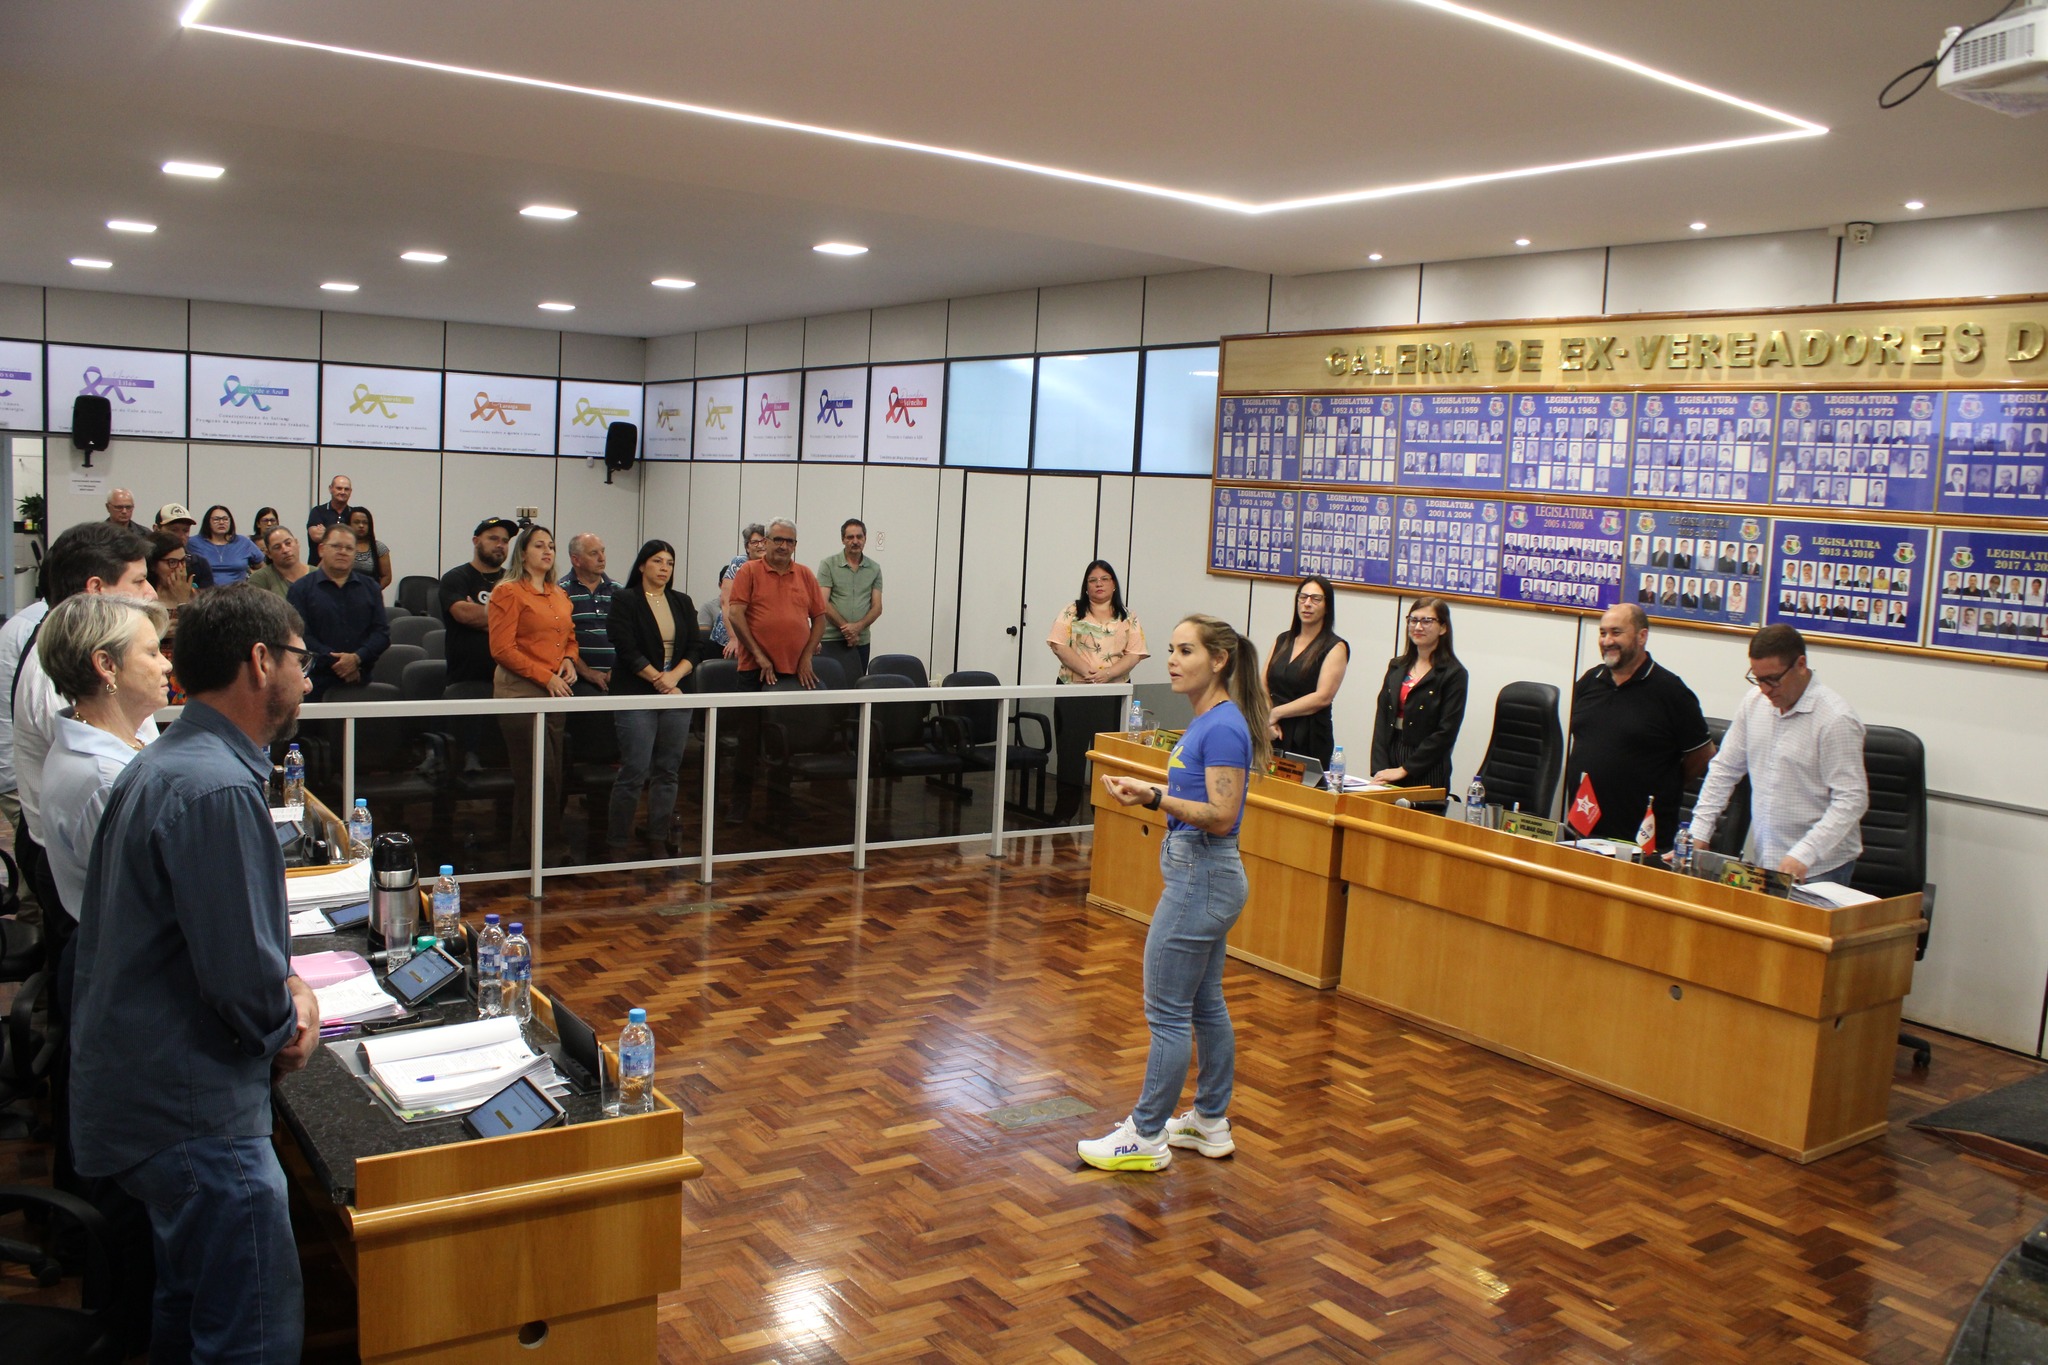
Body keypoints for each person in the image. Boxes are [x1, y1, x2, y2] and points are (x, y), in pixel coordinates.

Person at [69, 586, 320, 1364]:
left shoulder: (172, 761)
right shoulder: (213, 787)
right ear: (260, 661)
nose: (307, 681)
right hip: (193, 1115)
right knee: (250, 1336)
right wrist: (292, 1022)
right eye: (299, 661)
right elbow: (243, 982)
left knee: (187, 1310)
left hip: (144, 1099)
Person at [1080, 615, 1270, 1173]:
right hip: (1201, 876)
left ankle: (1144, 1135)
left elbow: (1221, 815)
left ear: (1218, 661)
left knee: (1166, 1013)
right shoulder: (1209, 721)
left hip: (1202, 879)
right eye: (1169, 649)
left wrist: (1154, 798)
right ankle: (1209, 1122)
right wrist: (1151, 791)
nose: (1171, 660)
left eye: (1184, 650)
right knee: (1204, 1003)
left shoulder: (1225, 727)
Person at [14, 524, 159, 938]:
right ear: (97, 588)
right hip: (85, 864)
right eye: (138, 580)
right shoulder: (62, 674)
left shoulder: (104, 659)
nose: (150, 592)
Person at [1689, 624, 1867, 884]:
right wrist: (1700, 832)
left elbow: (1852, 801)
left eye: (1773, 679)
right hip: (1768, 861)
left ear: (1801, 665)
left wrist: (1804, 854)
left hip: (1820, 868)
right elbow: (1724, 770)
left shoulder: (1835, 719)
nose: (1765, 689)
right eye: (1758, 679)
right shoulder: (1754, 703)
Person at [36, 595, 172, 922]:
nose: (166, 663)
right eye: (152, 653)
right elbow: (153, 902)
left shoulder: (114, 743)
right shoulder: (105, 780)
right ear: (107, 666)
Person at [1563, 604, 1714, 853]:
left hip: (1640, 841)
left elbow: (1703, 755)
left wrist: (1664, 783)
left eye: (1616, 632)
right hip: (1583, 832)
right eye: (1602, 633)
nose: (1607, 641)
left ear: (1641, 636)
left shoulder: (1671, 691)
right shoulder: (1590, 681)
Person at [726, 518, 829, 813]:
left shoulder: (805, 574)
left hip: (794, 671)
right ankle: (740, 802)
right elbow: (735, 614)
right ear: (766, 541)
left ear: (795, 545)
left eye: (790, 541)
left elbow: (820, 619)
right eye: (778, 540)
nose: (784, 546)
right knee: (749, 739)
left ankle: (780, 800)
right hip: (753, 670)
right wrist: (759, 655)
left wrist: (808, 655)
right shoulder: (749, 571)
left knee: (785, 739)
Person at [489, 524, 579, 847]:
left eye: (551, 546)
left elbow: (569, 637)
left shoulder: (559, 594)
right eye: (539, 545)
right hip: (520, 691)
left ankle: (541, 848)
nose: (548, 551)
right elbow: (501, 649)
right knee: (536, 776)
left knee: (553, 777)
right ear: (523, 553)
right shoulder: (508, 591)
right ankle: (534, 852)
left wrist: (569, 659)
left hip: (555, 692)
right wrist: (546, 676)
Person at [606, 539, 698, 853]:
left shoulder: (682, 601)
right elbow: (625, 646)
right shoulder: (625, 599)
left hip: (676, 690)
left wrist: (673, 677)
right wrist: (658, 679)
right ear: (643, 564)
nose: (664, 568)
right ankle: (618, 839)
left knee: (668, 769)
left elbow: (694, 649)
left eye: (669, 563)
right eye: (658, 561)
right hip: (637, 692)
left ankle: (657, 834)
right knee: (634, 769)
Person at [1047, 560, 1149, 822]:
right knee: (1071, 752)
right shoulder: (1073, 611)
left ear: (1114, 584)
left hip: (1112, 695)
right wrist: (1088, 673)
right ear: (1086, 586)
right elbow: (1059, 645)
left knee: (1107, 754)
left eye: (1105, 579)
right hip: (1075, 693)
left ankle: (1103, 813)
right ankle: (1064, 813)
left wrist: (1107, 674)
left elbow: (1135, 653)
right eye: (1093, 580)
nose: (1099, 584)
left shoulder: (1127, 616)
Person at [1368, 597, 1467, 794]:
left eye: (1427, 621)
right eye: (1413, 620)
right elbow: (1382, 717)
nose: (1418, 627)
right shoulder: (1397, 666)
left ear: (1443, 628)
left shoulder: (1453, 674)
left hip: (1427, 765)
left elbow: (1446, 733)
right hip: (1392, 752)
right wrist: (1380, 769)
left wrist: (1405, 770)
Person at [287, 523, 390, 699]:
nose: (343, 551)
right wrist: (340, 664)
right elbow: (300, 637)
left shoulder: (371, 587)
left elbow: (381, 633)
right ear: (321, 549)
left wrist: (356, 659)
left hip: (361, 681)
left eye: (349, 548)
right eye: (336, 546)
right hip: (315, 684)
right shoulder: (300, 589)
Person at [1264, 575, 1349, 768]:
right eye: (1303, 597)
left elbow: (1322, 697)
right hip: (1272, 730)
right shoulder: (1282, 640)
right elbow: (1263, 683)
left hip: (1309, 735)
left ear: (1327, 606)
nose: (1307, 604)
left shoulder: (1335, 646)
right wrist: (1268, 719)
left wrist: (1276, 713)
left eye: (1315, 599)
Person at [440, 517, 516, 688]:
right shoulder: (456, 577)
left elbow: (527, 622)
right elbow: (464, 614)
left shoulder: (514, 581)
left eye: (505, 541)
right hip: (466, 679)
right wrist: (509, 618)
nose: (500, 545)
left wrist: (481, 614)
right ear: (476, 541)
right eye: (493, 538)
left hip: (510, 680)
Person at [817, 517, 883, 681]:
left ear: (865, 539)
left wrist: (857, 628)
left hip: (860, 641)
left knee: (856, 685)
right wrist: (847, 629)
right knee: (831, 686)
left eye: (859, 537)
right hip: (830, 639)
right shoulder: (828, 564)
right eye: (850, 537)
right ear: (843, 540)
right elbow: (822, 602)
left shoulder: (874, 568)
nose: (855, 541)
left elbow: (877, 607)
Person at [561, 533, 617, 692]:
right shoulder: (560, 591)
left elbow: (629, 635)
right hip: (577, 678)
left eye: (603, 551)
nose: (602, 558)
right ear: (575, 560)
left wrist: (618, 669)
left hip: (617, 676)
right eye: (594, 553)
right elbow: (560, 640)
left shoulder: (619, 591)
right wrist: (588, 672)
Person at [710, 523, 768, 657]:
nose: (760, 545)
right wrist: (734, 638)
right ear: (747, 547)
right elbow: (726, 602)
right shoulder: (739, 563)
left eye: (764, 541)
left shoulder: (774, 565)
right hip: (730, 633)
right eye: (754, 542)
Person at [188, 504, 265, 586]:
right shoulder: (193, 543)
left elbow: (261, 566)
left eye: (225, 519)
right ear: (208, 522)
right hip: (206, 595)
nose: (221, 522)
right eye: (216, 519)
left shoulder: (243, 542)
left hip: (238, 595)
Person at [152, 503, 215, 588]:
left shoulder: (199, 564)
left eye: (185, 530)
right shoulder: (144, 562)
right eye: (173, 530)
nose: (181, 536)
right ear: (156, 529)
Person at [246, 523, 313, 597]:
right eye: (277, 547)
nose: (285, 550)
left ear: (297, 543)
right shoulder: (259, 579)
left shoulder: (317, 574)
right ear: (269, 553)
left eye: (288, 543)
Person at [346, 505, 393, 592]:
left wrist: (372, 592)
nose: (361, 525)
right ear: (348, 524)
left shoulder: (379, 547)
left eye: (365, 522)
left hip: (369, 597)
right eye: (356, 522)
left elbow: (387, 577)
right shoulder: (341, 546)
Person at [307, 472, 353, 545]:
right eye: (339, 488)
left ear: (350, 492)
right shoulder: (318, 511)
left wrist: (326, 532)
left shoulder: (354, 514)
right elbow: (316, 536)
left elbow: (359, 539)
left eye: (346, 489)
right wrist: (346, 537)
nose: (343, 492)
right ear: (330, 489)